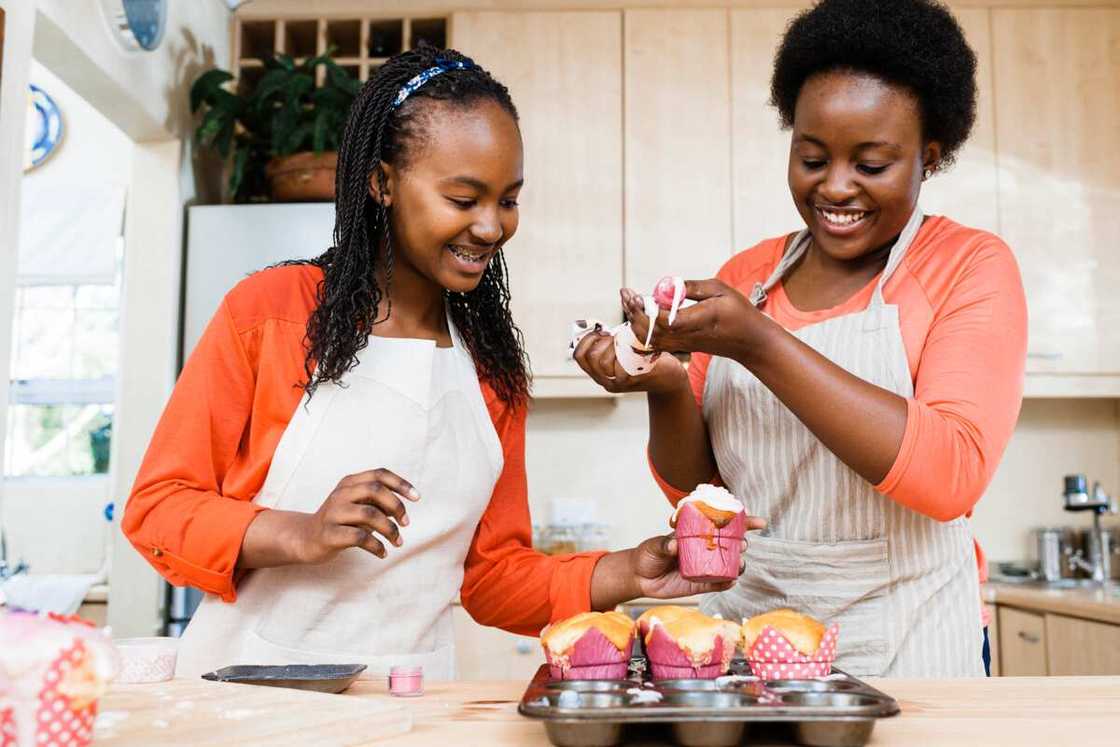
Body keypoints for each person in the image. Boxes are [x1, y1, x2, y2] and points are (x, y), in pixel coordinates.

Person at [123, 46, 759, 679]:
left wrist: (625, 570)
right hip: (246, 697)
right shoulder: (271, 312)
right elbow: (157, 508)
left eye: (508, 200)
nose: (490, 227)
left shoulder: (490, 364)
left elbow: (491, 576)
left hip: (411, 703)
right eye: (463, 199)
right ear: (382, 183)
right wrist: (300, 533)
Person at [574, 0, 1026, 677]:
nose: (835, 186)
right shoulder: (747, 278)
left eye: (871, 163)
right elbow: (702, 494)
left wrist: (757, 342)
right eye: (813, 157)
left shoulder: (967, 265)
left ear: (928, 159)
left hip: (912, 641)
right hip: (753, 638)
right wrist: (666, 382)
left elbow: (949, 474)